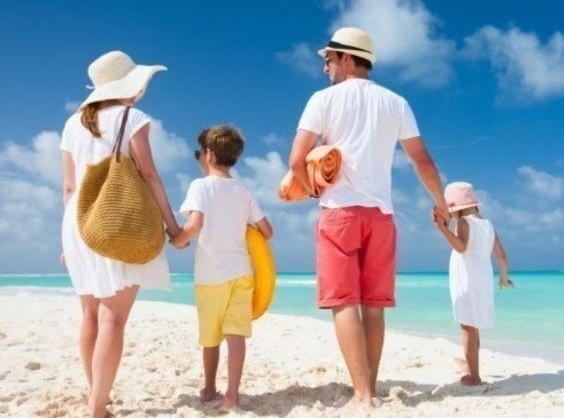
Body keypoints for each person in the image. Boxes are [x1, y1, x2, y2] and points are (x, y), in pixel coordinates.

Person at [287, 27, 450, 408]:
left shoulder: (322, 100)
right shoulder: (396, 102)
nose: (325, 66)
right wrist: (441, 202)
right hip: (382, 216)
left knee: (343, 303)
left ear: (347, 59)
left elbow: (297, 160)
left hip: (339, 213)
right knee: (374, 305)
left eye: (329, 59)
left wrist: (312, 189)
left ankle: (361, 394)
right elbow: (422, 160)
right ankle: (369, 387)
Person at [60, 50, 180, 417]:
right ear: (129, 84)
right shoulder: (133, 117)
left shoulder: (71, 124)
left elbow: (68, 187)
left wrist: (69, 240)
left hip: (78, 222)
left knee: (90, 317)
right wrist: (172, 228)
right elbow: (149, 175)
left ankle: (97, 395)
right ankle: (97, 408)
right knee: (112, 318)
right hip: (116, 220)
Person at [171, 125, 273, 412]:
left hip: (211, 276)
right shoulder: (244, 191)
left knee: (211, 338)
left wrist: (176, 239)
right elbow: (267, 231)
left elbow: (194, 226)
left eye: (198, 153)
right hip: (242, 274)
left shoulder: (200, 186)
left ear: (209, 155)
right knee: (236, 335)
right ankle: (232, 396)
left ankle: (208, 389)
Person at [432, 181, 514, 386]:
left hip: (467, 278)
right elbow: (501, 256)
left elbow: (460, 247)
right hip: (482, 278)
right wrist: (503, 279)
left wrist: (442, 229)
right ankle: (471, 364)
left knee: (467, 326)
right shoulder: (487, 225)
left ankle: (474, 376)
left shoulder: (463, 223)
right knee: (473, 325)